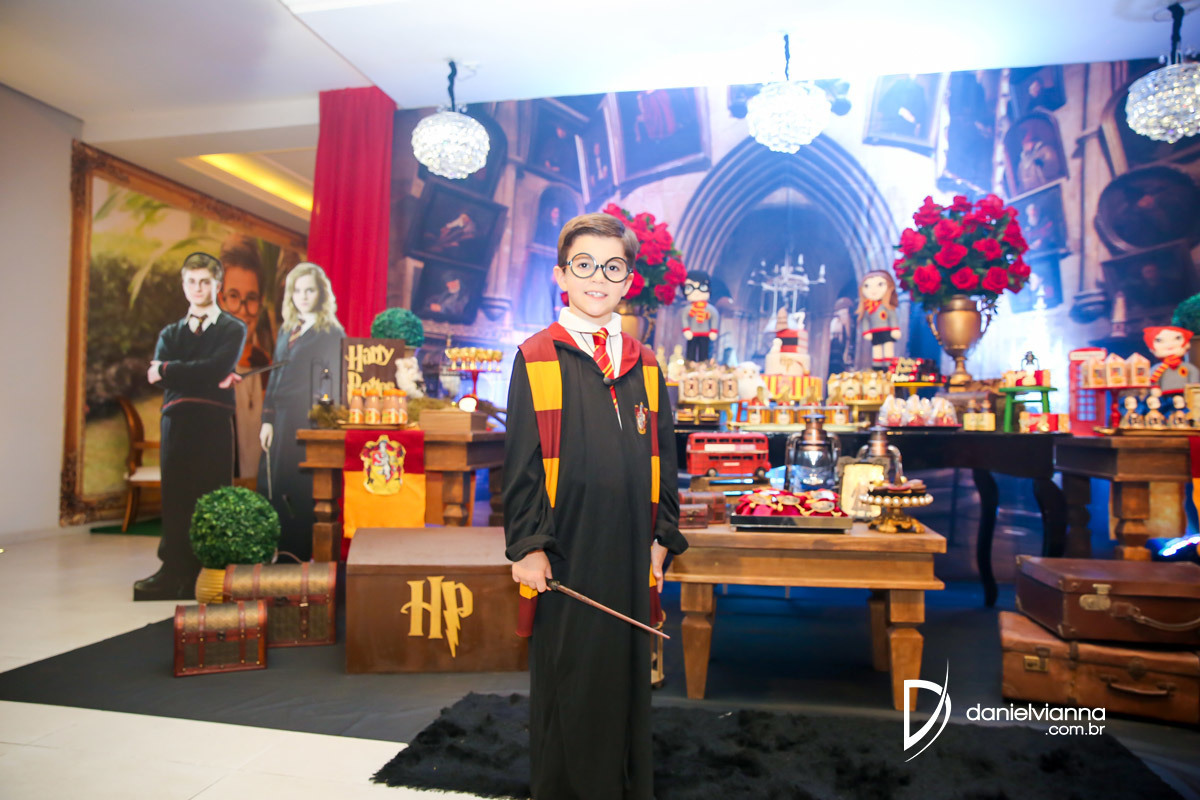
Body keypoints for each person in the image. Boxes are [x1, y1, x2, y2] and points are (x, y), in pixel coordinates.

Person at [504, 212, 688, 799]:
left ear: (629, 280)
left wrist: (661, 536)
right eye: (584, 265)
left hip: (631, 544)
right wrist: (528, 545)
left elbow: (664, 455)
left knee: (625, 676)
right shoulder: (537, 356)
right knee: (573, 674)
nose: (597, 278)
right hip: (567, 544)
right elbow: (522, 464)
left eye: (612, 268)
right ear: (562, 274)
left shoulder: (645, 362)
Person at [136, 252, 245, 600]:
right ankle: (173, 572)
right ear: (184, 285)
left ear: (218, 285)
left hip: (213, 423)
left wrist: (168, 370)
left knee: (211, 495)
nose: (198, 288)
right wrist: (198, 372)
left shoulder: (232, 329)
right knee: (176, 497)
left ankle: (211, 570)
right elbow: (201, 372)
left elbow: (214, 367)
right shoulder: (170, 333)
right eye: (192, 282)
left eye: (205, 282)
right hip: (177, 422)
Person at [258, 262, 344, 561]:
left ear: (321, 293)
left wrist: (323, 421)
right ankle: (278, 550)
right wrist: (267, 420)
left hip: (307, 420)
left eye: (310, 290)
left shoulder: (331, 332)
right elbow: (275, 376)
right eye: (297, 290)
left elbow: (333, 382)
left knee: (300, 487)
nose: (303, 296)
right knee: (273, 485)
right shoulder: (287, 330)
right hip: (280, 419)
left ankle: (297, 553)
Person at [217, 235, 271, 480]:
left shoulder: (266, 366)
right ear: (220, 299)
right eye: (233, 296)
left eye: (251, 299)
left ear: (260, 303)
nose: (243, 310)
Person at [856, 270, 900, 367]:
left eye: (880, 284)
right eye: (867, 286)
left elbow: (892, 317)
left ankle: (889, 366)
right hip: (875, 332)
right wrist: (866, 331)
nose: (873, 290)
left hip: (886, 331)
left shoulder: (887, 307)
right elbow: (865, 320)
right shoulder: (868, 308)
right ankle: (877, 366)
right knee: (876, 349)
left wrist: (895, 328)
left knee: (888, 348)